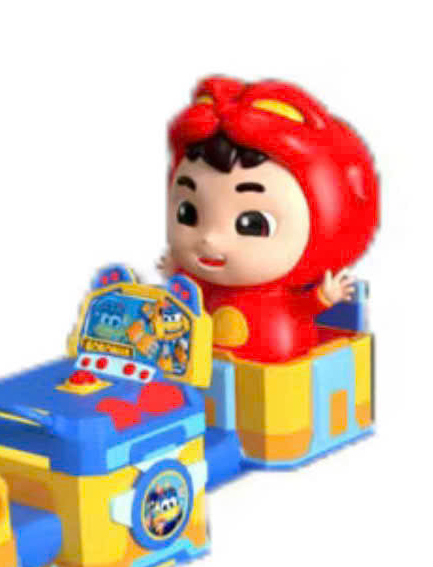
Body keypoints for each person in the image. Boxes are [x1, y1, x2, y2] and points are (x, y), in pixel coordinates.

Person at [161, 77, 379, 363]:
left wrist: (324, 297)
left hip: (278, 370)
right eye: (188, 214)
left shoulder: (283, 294)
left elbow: (301, 309)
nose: (210, 239)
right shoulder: (208, 285)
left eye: (252, 223)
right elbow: (192, 299)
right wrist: (178, 274)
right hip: (205, 370)